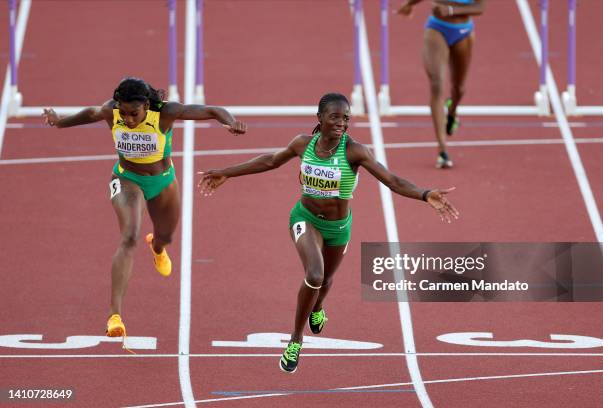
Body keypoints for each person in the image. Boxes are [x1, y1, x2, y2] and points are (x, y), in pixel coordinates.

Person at [198, 93, 458, 373]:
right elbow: (270, 161)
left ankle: (318, 306)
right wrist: (227, 172)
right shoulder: (303, 144)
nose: (341, 123)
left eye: (345, 118)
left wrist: (425, 194)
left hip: (338, 228)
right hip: (305, 218)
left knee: (325, 281)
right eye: (335, 116)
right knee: (314, 274)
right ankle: (296, 340)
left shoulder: (355, 151)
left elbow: (392, 180)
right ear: (319, 117)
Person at [42, 77, 247, 339]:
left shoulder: (165, 113)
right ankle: (114, 315)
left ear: (147, 106)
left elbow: (211, 110)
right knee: (129, 237)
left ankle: (157, 247)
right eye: (123, 112)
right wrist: (59, 120)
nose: (127, 119)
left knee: (166, 235)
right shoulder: (112, 111)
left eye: (133, 113)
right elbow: (91, 113)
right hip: (127, 179)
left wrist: (229, 121)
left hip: (162, 182)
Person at [398, 0, 486, 169]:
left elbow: (480, 8)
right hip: (437, 28)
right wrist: (409, 4)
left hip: (463, 31)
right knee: (437, 84)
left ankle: (451, 112)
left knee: (459, 89)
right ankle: (442, 149)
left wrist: (451, 9)